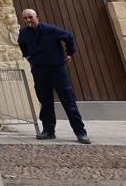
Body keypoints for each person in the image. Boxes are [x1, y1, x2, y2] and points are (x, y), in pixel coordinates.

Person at [17, 8, 90, 144]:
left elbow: (68, 37)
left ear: (37, 17)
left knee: (68, 102)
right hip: (39, 71)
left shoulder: (51, 30)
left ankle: (81, 133)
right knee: (45, 102)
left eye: (30, 17)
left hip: (57, 70)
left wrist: (69, 53)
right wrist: (27, 56)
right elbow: (22, 44)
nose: (28, 20)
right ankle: (48, 131)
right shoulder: (24, 33)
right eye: (25, 18)